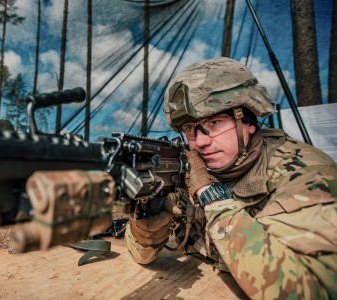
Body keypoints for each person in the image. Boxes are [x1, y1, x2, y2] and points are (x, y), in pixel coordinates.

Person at [124, 57, 337, 299]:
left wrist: (213, 199)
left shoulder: (306, 174)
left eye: (214, 123)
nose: (201, 141)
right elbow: (141, 256)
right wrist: (146, 220)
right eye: (190, 129)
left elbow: (312, 291)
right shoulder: (186, 166)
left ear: (248, 121)